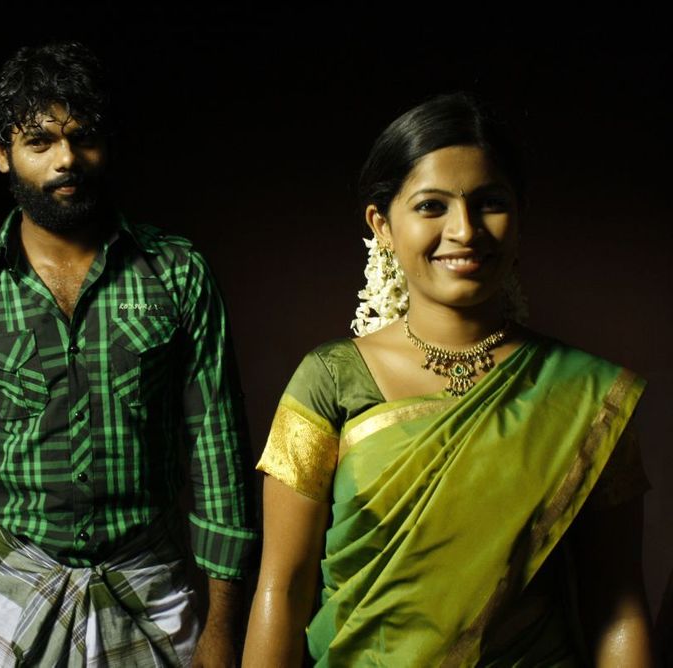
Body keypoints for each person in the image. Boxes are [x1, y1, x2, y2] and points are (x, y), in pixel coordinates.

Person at [0, 42, 257, 667]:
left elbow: (220, 457)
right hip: (10, 588)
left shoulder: (178, 275)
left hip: (150, 583)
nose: (66, 158)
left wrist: (221, 632)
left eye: (83, 137)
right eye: (39, 141)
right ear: (3, 154)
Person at [242, 93, 654, 666]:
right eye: (432, 206)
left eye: (490, 203)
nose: (465, 230)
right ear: (382, 225)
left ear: (520, 215)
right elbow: (281, 594)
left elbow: (618, 607)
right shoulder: (330, 381)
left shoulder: (584, 394)